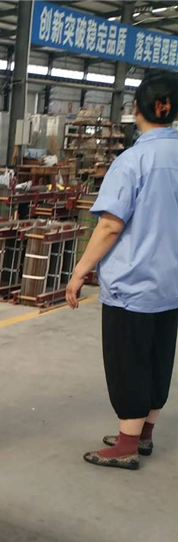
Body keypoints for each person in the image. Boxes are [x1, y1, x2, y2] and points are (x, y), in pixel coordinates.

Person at [65, 71, 178, 470]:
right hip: (171, 285)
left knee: (128, 361)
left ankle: (126, 446)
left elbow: (110, 225)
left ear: (137, 110)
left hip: (133, 285)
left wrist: (80, 271)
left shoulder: (132, 162)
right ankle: (144, 434)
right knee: (158, 359)